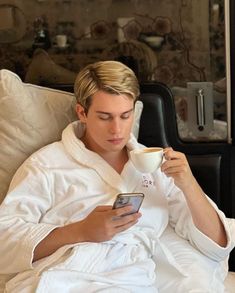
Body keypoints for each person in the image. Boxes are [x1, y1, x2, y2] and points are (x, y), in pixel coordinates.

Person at [0, 61, 233, 293]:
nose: (117, 130)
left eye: (125, 115)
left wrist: (188, 183)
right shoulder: (46, 165)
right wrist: (80, 231)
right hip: (71, 276)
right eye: (104, 117)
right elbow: (5, 238)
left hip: (135, 278)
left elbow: (216, 244)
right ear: (82, 112)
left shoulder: (155, 166)